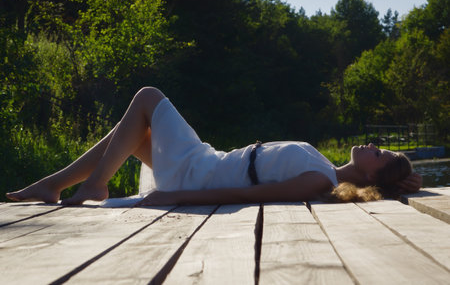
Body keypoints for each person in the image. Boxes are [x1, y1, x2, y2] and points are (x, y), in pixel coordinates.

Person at [6, 87, 422, 206]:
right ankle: (53, 185)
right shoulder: (324, 167)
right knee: (132, 132)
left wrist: (176, 197)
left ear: (372, 174)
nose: (373, 145)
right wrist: (406, 181)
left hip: (200, 174)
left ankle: (93, 186)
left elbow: (245, 194)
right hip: (208, 160)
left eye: (380, 154)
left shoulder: (317, 178)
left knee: (148, 98)